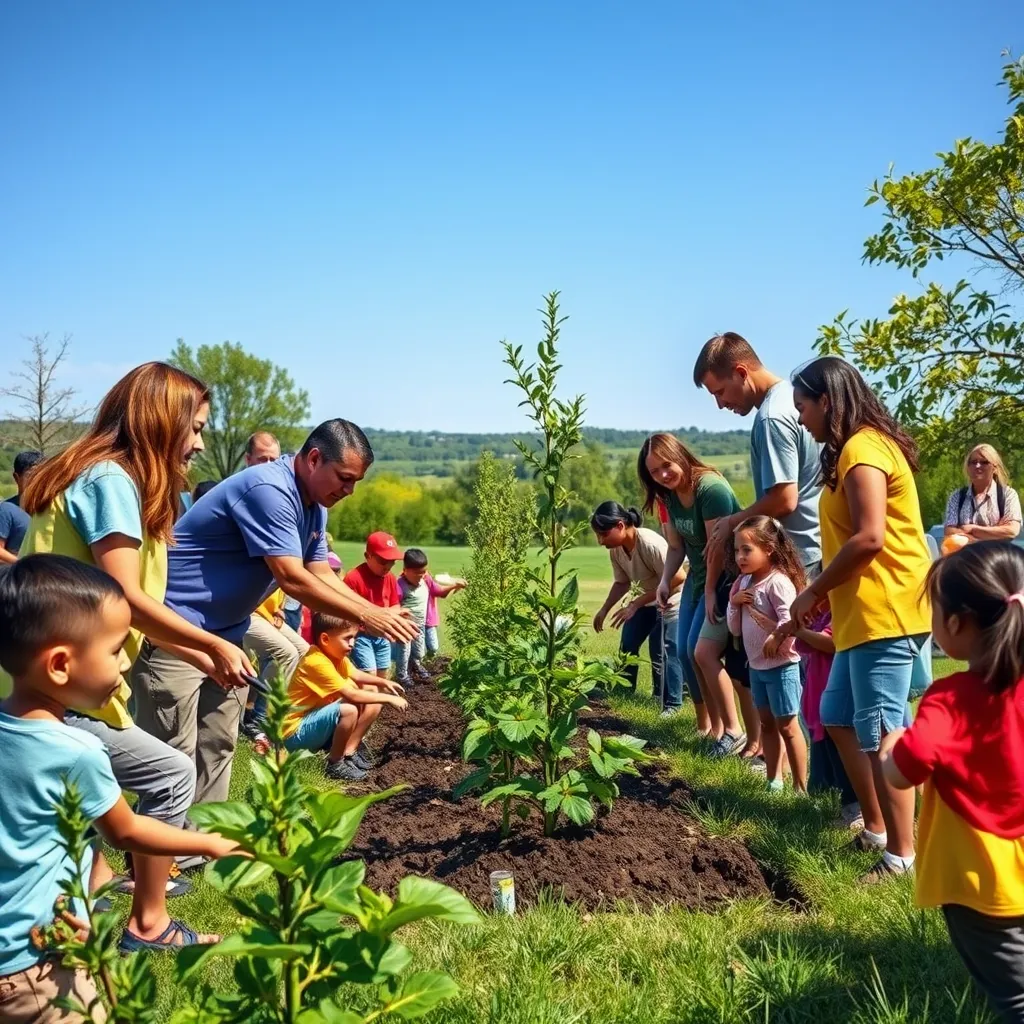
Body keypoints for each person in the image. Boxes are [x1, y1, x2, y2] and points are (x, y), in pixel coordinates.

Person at [16, 362, 251, 949]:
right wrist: (209, 642)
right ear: (159, 423)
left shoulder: (108, 481)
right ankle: (148, 922)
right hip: (54, 685)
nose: (198, 442)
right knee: (170, 773)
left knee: (84, 802)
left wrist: (196, 653)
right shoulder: (110, 483)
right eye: (193, 428)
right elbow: (125, 597)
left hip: (51, 676)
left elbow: (124, 611)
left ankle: (82, 909)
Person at [132, 419, 417, 851]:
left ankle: (201, 847)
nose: (349, 491)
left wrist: (371, 611)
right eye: (345, 479)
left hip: (228, 634)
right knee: (173, 750)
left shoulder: (314, 505)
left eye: (356, 482)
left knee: (218, 742)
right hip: (178, 630)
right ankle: (153, 857)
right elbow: (293, 579)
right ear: (315, 458)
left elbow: (322, 573)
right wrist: (370, 616)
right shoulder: (270, 490)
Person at [0, 556, 234, 1023]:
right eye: (113, 650)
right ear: (61, 665)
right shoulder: (76, 751)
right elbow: (126, 832)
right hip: (39, 965)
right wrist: (208, 842)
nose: (125, 662)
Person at [790, 356, 931, 883]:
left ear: (827, 400)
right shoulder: (855, 448)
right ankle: (876, 827)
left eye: (804, 406)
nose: (801, 419)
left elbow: (870, 537)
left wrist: (814, 591)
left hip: (885, 610)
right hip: (861, 614)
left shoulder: (863, 448)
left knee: (880, 732)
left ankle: (902, 856)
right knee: (839, 713)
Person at [880, 542, 1024, 1022]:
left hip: (978, 881)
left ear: (957, 624)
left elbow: (908, 766)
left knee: (1015, 998)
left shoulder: (949, 699)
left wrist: (891, 748)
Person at [640, 433, 746, 750]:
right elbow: (676, 546)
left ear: (680, 455)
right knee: (686, 652)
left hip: (726, 577)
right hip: (699, 578)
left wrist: (712, 592)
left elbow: (717, 549)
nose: (662, 476)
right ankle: (712, 729)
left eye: (666, 466)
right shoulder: (668, 495)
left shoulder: (709, 489)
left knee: (702, 652)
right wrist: (663, 581)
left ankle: (732, 730)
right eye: (654, 472)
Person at [693, 333, 823, 573]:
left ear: (741, 373)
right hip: (819, 550)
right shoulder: (793, 398)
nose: (720, 405)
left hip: (801, 560)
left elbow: (784, 499)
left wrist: (733, 522)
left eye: (719, 392)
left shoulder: (771, 417)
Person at [727, 516, 808, 792]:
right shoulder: (743, 583)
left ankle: (800, 787)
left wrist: (776, 636)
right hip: (757, 667)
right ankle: (774, 781)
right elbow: (734, 628)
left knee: (788, 726)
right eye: (737, 550)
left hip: (782, 667)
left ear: (769, 549)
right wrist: (733, 603)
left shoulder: (778, 583)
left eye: (747, 550)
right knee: (767, 725)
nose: (740, 557)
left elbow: (790, 622)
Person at [284, 611, 408, 782]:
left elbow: (356, 674)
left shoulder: (336, 657)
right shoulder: (316, 662)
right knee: (349, 709)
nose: (353, 644)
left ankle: (349, 752)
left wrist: (383, 683)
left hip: (313, 722)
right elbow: (351, 694)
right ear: (325, 639)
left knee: (372, 697)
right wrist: (388, 698)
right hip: (294, 734)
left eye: (354, 638)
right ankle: (335, 764)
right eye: (347, 638)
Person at [590, 502, 685, 704]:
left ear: (620, 526)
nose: (600, 541)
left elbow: (677, 578)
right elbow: (622, 582)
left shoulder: (649, 544)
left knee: (660, 648)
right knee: (628, 644)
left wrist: (635, 604)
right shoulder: (616, 549)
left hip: (673, 598)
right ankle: (624, 693)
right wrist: (604, 609)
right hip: (649, 600)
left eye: (603, 534)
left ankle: (667, 700)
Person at [792, 605, 862, 829]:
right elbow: (802, 646)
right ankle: (838, 804)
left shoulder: (841, 612)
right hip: (817, 695)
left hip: (834, 696)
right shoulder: (821, 615)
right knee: (828, 758)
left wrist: (799, 630)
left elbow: (830, 643)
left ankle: (856, 810)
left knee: (842, 756)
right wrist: (804, 624)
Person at [240, 587, 309, 745]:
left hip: (268, 615)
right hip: (247, 614)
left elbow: (275, 593)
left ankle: (283, 710)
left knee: (305, 652)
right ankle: (260, 719)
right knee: (286, 653)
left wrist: (278, 609)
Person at [394, 549, 465, 683]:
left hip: (420, 625)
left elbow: (440, 592)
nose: (421, 576)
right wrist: (399, 612)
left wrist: (455, 586)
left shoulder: (426, 580)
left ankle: (415, 666)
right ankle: (402, 676)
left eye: (424, 572)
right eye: (417, 573)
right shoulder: (400, 585)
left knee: (419, 652)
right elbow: (393, 604)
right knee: (404, 651)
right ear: (405, 570)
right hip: (404, 626)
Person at [343, 531, 404, 678]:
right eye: (383, 561)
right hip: (361, 636)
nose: (388, 566)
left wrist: (395, 614)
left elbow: (396, 605)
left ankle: (381, 701)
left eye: (392, 562)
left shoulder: (389, 578)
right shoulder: (353, 578)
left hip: (382, 636)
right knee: (369, 673)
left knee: (384, 673)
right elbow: (345, 611)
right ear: (367, 556)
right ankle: (364, 700)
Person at [944, 444, 1022, 543]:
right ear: (968, 467)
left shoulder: (1008, 495)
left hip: (997, 557)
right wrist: (995, 531)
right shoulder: (957, 497)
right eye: (973, 462)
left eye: (984, 462)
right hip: (967, 557)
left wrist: (972, 529)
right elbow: (949, 531)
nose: (977, 466)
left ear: (995, 468)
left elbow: (1011, 531)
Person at [0, 451, 43, 565]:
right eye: (31, 475)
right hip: (15, 578)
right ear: (16, 477)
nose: (36, 481)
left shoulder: (49, 509)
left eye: (41, 476)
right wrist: (23, 564)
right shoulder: (6, 510)